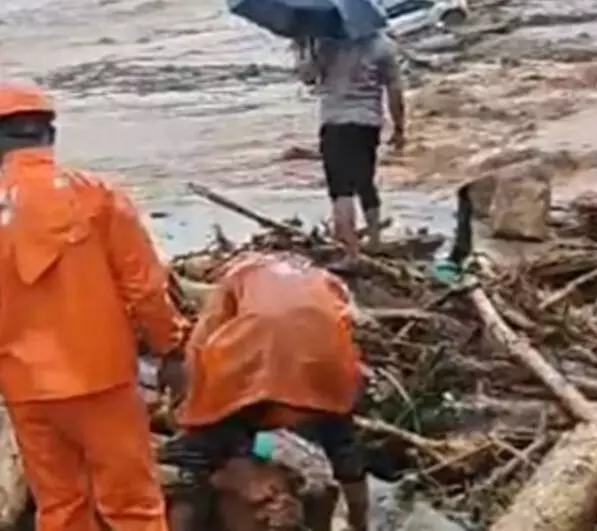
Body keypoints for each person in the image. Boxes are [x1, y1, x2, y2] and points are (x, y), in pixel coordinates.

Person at [0, 82, 188, 531]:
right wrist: (171, 350)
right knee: (134, 508)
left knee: (61, 509)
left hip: (25, 388)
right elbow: (145, 288)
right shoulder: (97, 196)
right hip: (100, 378)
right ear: (49, 135)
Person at [161, 252, 368, 531]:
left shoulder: (236, 276)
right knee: (342, 445)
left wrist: (188, 410)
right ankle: (360, 522)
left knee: (194, 458)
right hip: (325, 364)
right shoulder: (323, 279)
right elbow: (346, 326)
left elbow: (200, 344)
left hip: (256, 361)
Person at [296, 32, 406, 257]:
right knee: (365, 181)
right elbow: (395, 90)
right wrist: (399, 128)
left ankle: (351, 252)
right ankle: (375, 240)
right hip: (368, 122)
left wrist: (304, 47)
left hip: (335, 122)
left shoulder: (326, 41)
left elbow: (307, 77)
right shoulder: (383, 45)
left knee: (341, 189)